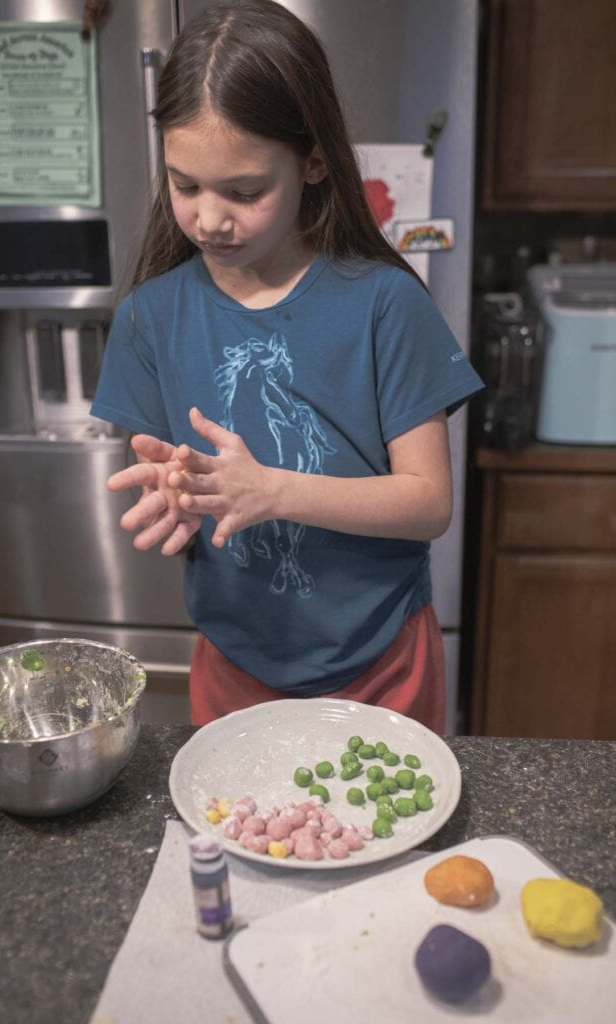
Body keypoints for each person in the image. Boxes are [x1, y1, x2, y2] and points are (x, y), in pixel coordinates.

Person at [90, 0, 483, 732]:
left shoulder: (384, 304)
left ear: (311, 161)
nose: (209, 219)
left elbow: (427, 504)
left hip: (381, 661)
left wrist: (271, 490)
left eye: (242, 192)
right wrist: (181, 492)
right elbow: (189, 485)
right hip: (236, 663)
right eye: (185, 185)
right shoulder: (150, 315)